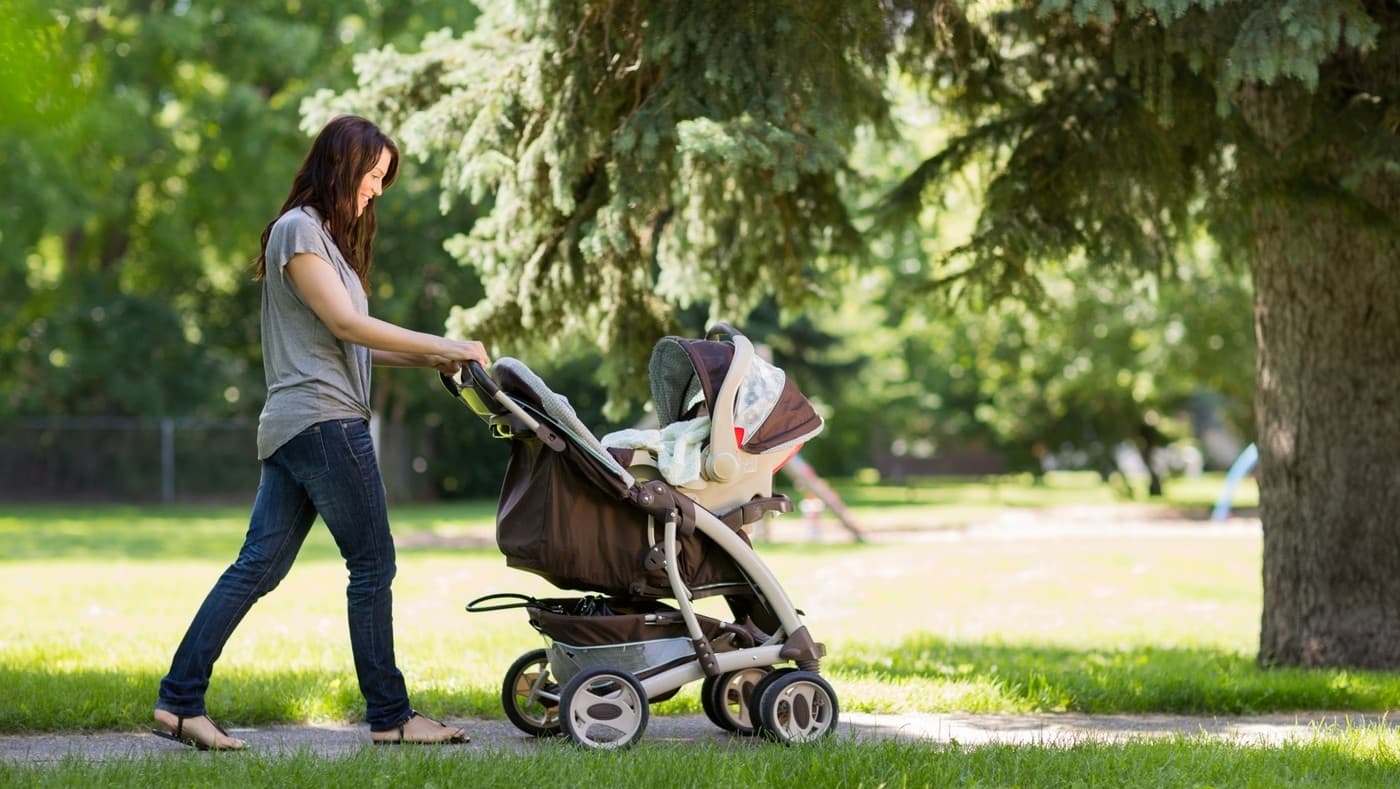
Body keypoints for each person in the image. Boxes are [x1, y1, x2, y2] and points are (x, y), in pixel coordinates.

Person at [152, 115, 487, 750]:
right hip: (324, 423)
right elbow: (347, 327)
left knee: (258, 567)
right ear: (342, 164)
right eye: (373, 175)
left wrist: (433, 358)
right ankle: (391, 716)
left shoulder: (325, 244)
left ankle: (179, 702)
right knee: (372, 563)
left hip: (298, 426)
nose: (377, 190)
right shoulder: (298, 231)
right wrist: (445, 342)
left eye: (385, 180)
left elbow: (353, 344)